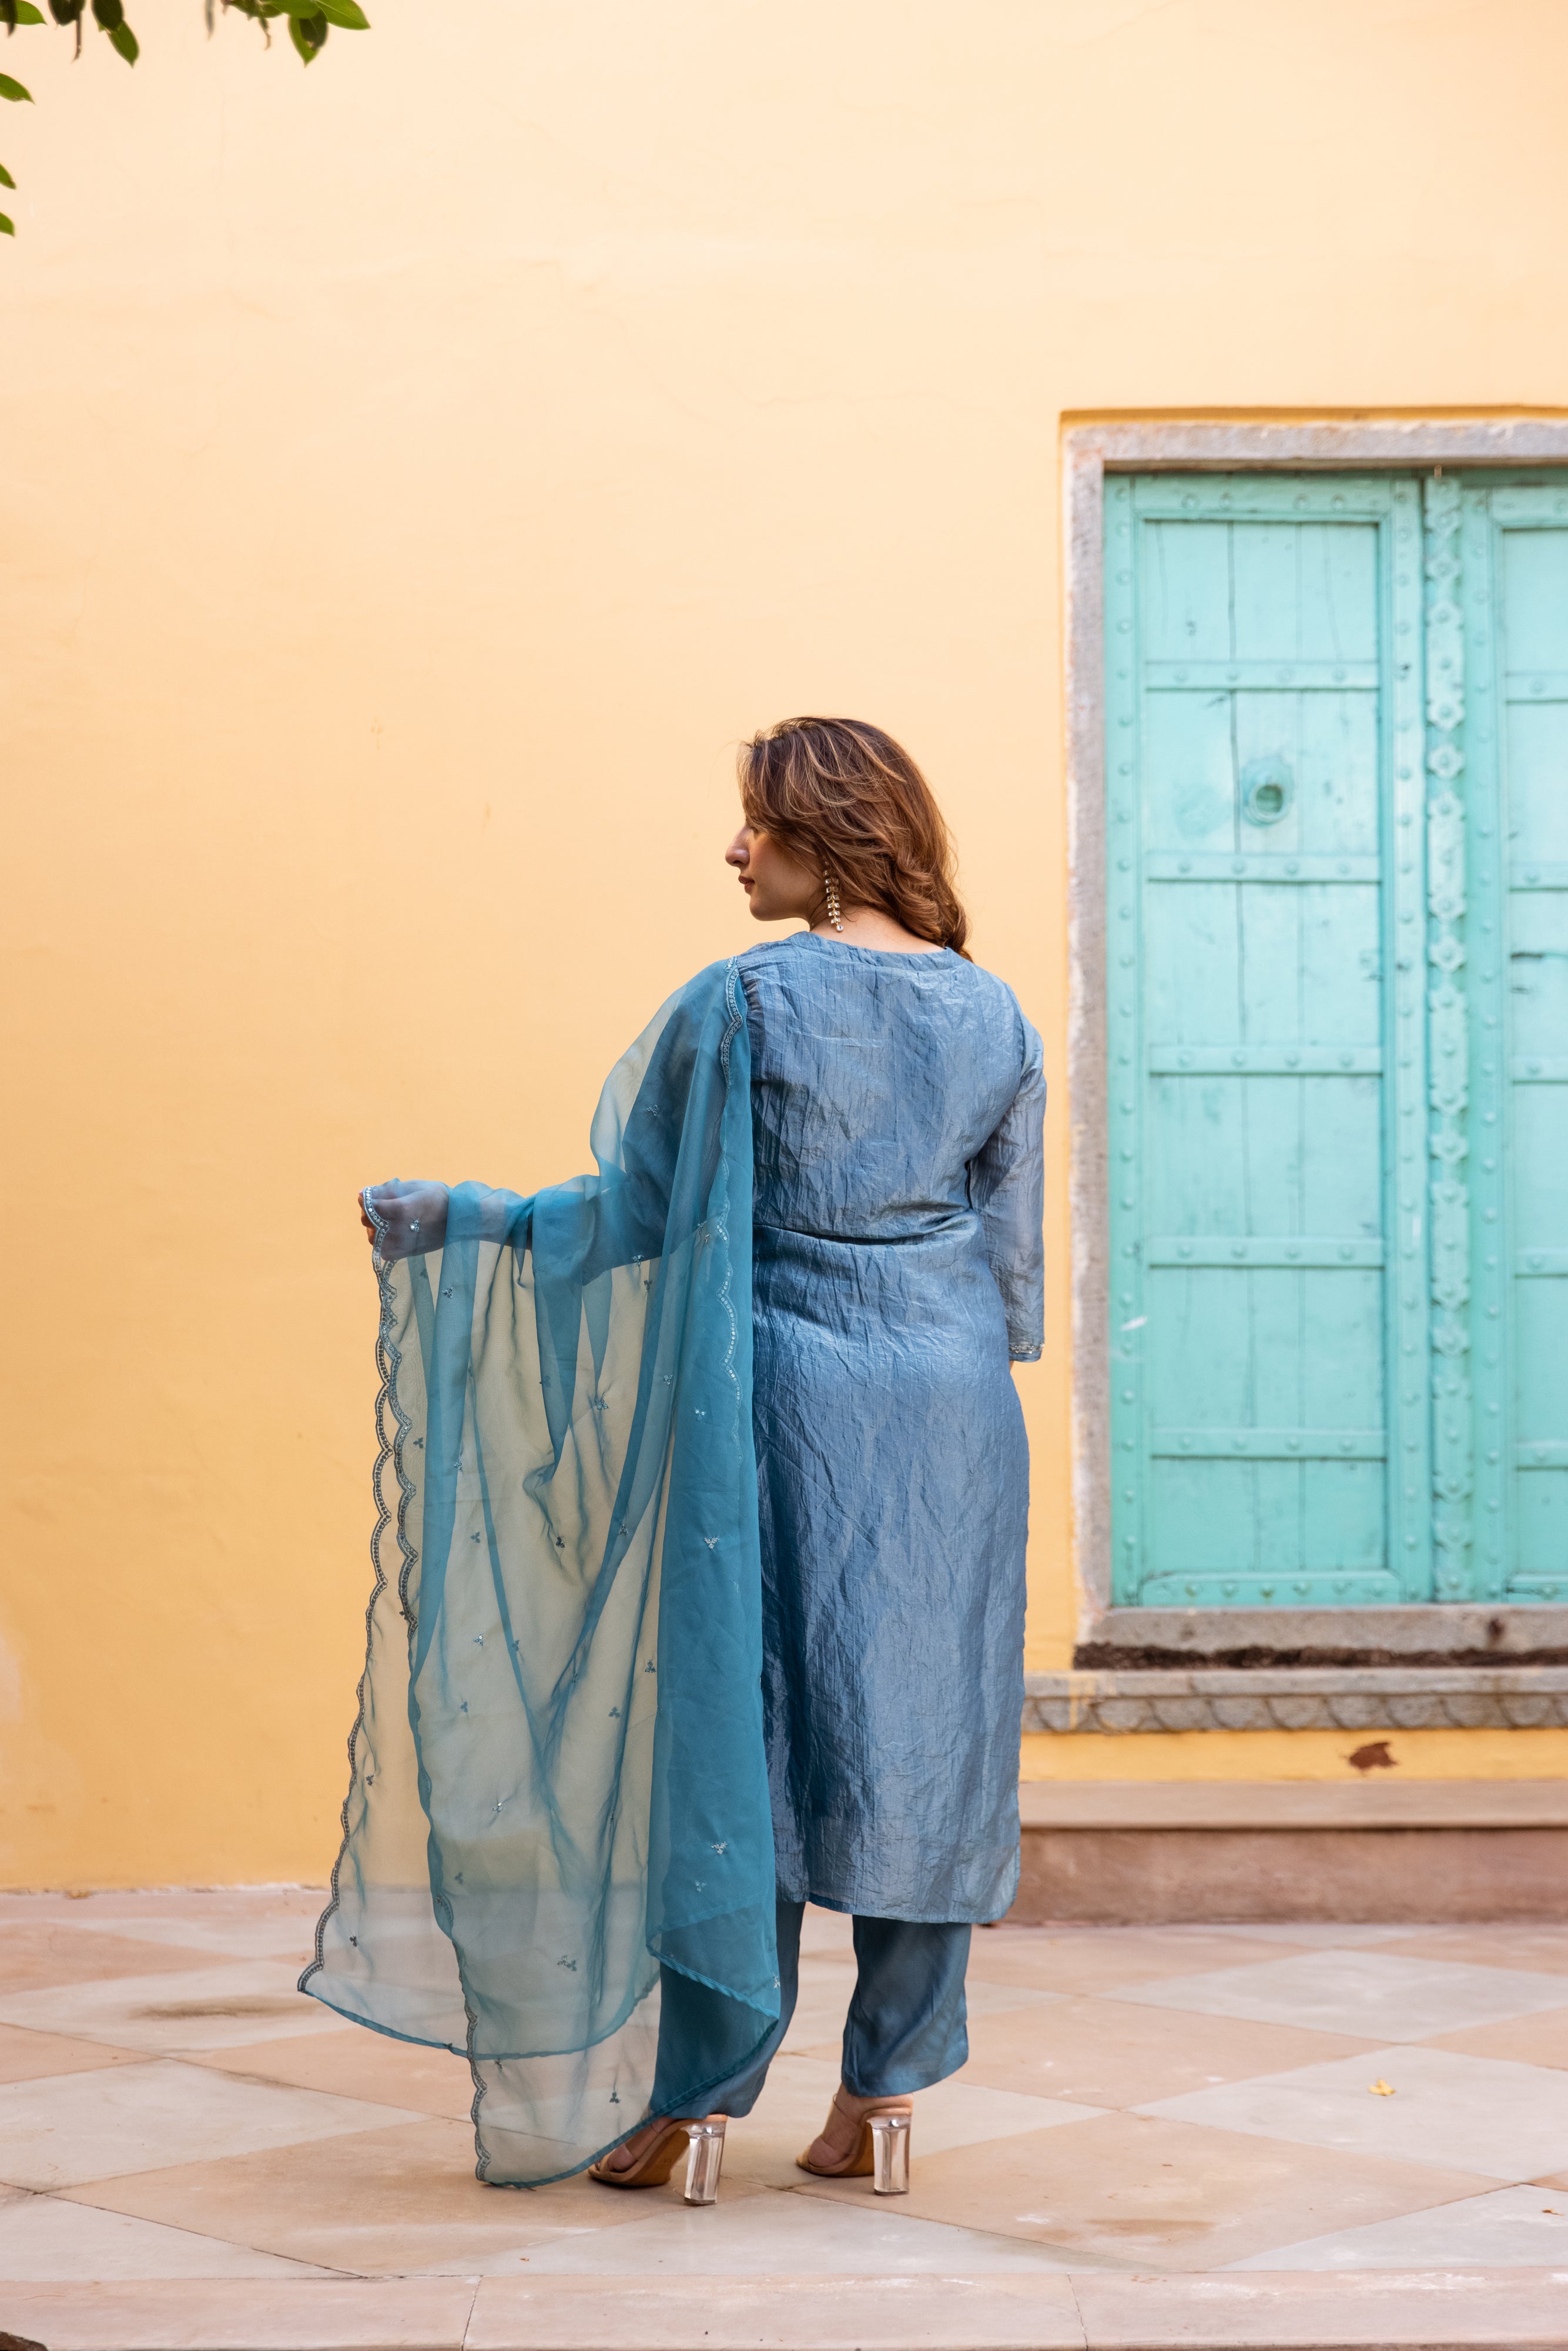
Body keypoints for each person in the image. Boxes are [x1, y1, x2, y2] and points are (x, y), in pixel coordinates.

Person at [314, 717, 1044, 2198]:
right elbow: (1012, 1268)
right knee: (927, 1743)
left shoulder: (743, 1001)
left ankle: (697, 2096)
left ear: (824, 839)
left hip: (775, 1395)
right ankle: (884, 2088)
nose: (733, 850)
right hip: (953, 1415)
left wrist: (471, 1216)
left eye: (755, 825)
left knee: (743, 1734)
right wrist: (936, 1331)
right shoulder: (996, 1014)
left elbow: (641, 1209)